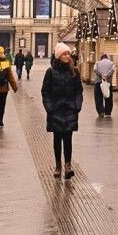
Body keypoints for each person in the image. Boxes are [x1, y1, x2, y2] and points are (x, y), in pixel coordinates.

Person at [41, 47, 84, 179]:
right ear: (59, 56)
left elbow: (79, 91)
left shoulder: (74, 71)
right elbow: (45, 92)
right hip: (56, 110)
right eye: (64, 54)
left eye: (68, 54)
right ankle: (58, 166)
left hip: (70, 109)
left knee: (68, 139)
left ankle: (68, 165)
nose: (67, 56)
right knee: (57, 138)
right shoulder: (51, 72)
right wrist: (50, 108)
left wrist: (77, 106)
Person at [93, 53, 115, 117]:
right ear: (107, 58)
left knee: (98, 97)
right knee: (108, 97)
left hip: (98, 82)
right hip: (108, 82)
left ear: (101, 58)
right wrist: (107, 75)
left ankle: (101, 112)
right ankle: (108, 112)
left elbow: (95, 69)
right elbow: (113, 70)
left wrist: (101, 75)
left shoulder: (97, 63)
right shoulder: (111, 63)